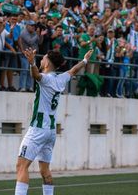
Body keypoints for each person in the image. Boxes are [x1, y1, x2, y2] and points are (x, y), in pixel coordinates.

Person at [15, 48, 93, 195]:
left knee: (21, 166)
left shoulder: (47, 78)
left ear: (47, 63)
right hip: (50, 132)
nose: (41, 60)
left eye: (43, 58)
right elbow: (73, 70)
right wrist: (85, 60)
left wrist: (31, 63)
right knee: (45, 170)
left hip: (38, 129)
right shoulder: (61, 78)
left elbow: (36, 75)